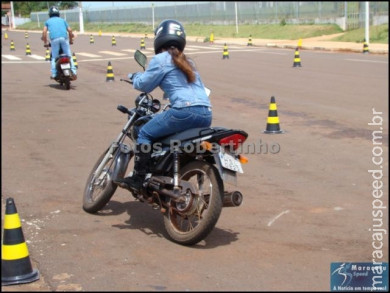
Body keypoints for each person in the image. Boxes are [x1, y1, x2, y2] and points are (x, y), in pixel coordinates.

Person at [115, 19, 212, 192]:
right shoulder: (188, 62)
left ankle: (138, 178)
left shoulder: (161, 59)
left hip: (184, 110)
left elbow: (144, 85)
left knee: (144, 133)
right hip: (205, 113)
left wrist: (135, 76)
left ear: (159, 38)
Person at [41, 6, 77, 80]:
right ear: (58, 13)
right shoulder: (63, 20)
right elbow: (70, 30)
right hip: (64, 39)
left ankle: (54, 74)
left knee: (54, 58)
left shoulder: (48, 21)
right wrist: (71, 40)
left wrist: (45, 41)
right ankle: (74, 72)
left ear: (50, 14)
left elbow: (44, 32)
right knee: (69, 56)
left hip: (54, 40)